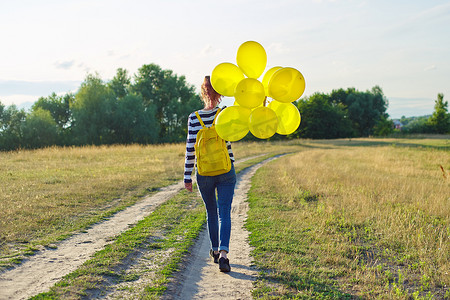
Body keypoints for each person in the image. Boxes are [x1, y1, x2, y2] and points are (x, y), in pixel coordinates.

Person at [184, 76, 236, 272]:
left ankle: (214, 250)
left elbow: (190, 148)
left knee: (211, 212)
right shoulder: (226, 114)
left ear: (203, 92)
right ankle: (223, 255)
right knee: (225, 212)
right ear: (220, 93)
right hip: (225, 170)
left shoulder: (193, 117)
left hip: (204, 172)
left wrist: (187, 176)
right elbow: (231, 140)